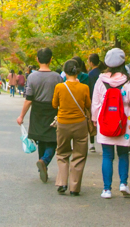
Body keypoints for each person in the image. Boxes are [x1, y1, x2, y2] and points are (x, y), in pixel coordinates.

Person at [92, 48, 130, 199]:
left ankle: (107, 189)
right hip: (124, 122)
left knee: (107, 155)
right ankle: (123, 184)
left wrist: (94, 119)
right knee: (124, 153)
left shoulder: (101, 80)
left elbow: (96, 103)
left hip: (105, 120)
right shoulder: (129, 81)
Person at [17, 47, 59, 184]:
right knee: (53, 140)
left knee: (41, 139)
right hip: (53, 110)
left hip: (37, 110)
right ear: (51, 59)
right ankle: (44, 162)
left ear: (37, 59)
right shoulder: (57, 77)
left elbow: (29, 99)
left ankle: (43, 163)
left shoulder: (32, 77)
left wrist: (21, 116)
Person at [53, 58, 92, 196]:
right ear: (78, 71)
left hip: (63, 123)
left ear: (65, 71)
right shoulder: (84, 87)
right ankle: (74, 187)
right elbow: (88, 104)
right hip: (80, 123)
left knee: (62, 153)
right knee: (79, 155)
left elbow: (54, 104)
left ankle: (62, 182)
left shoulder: (59, 87)